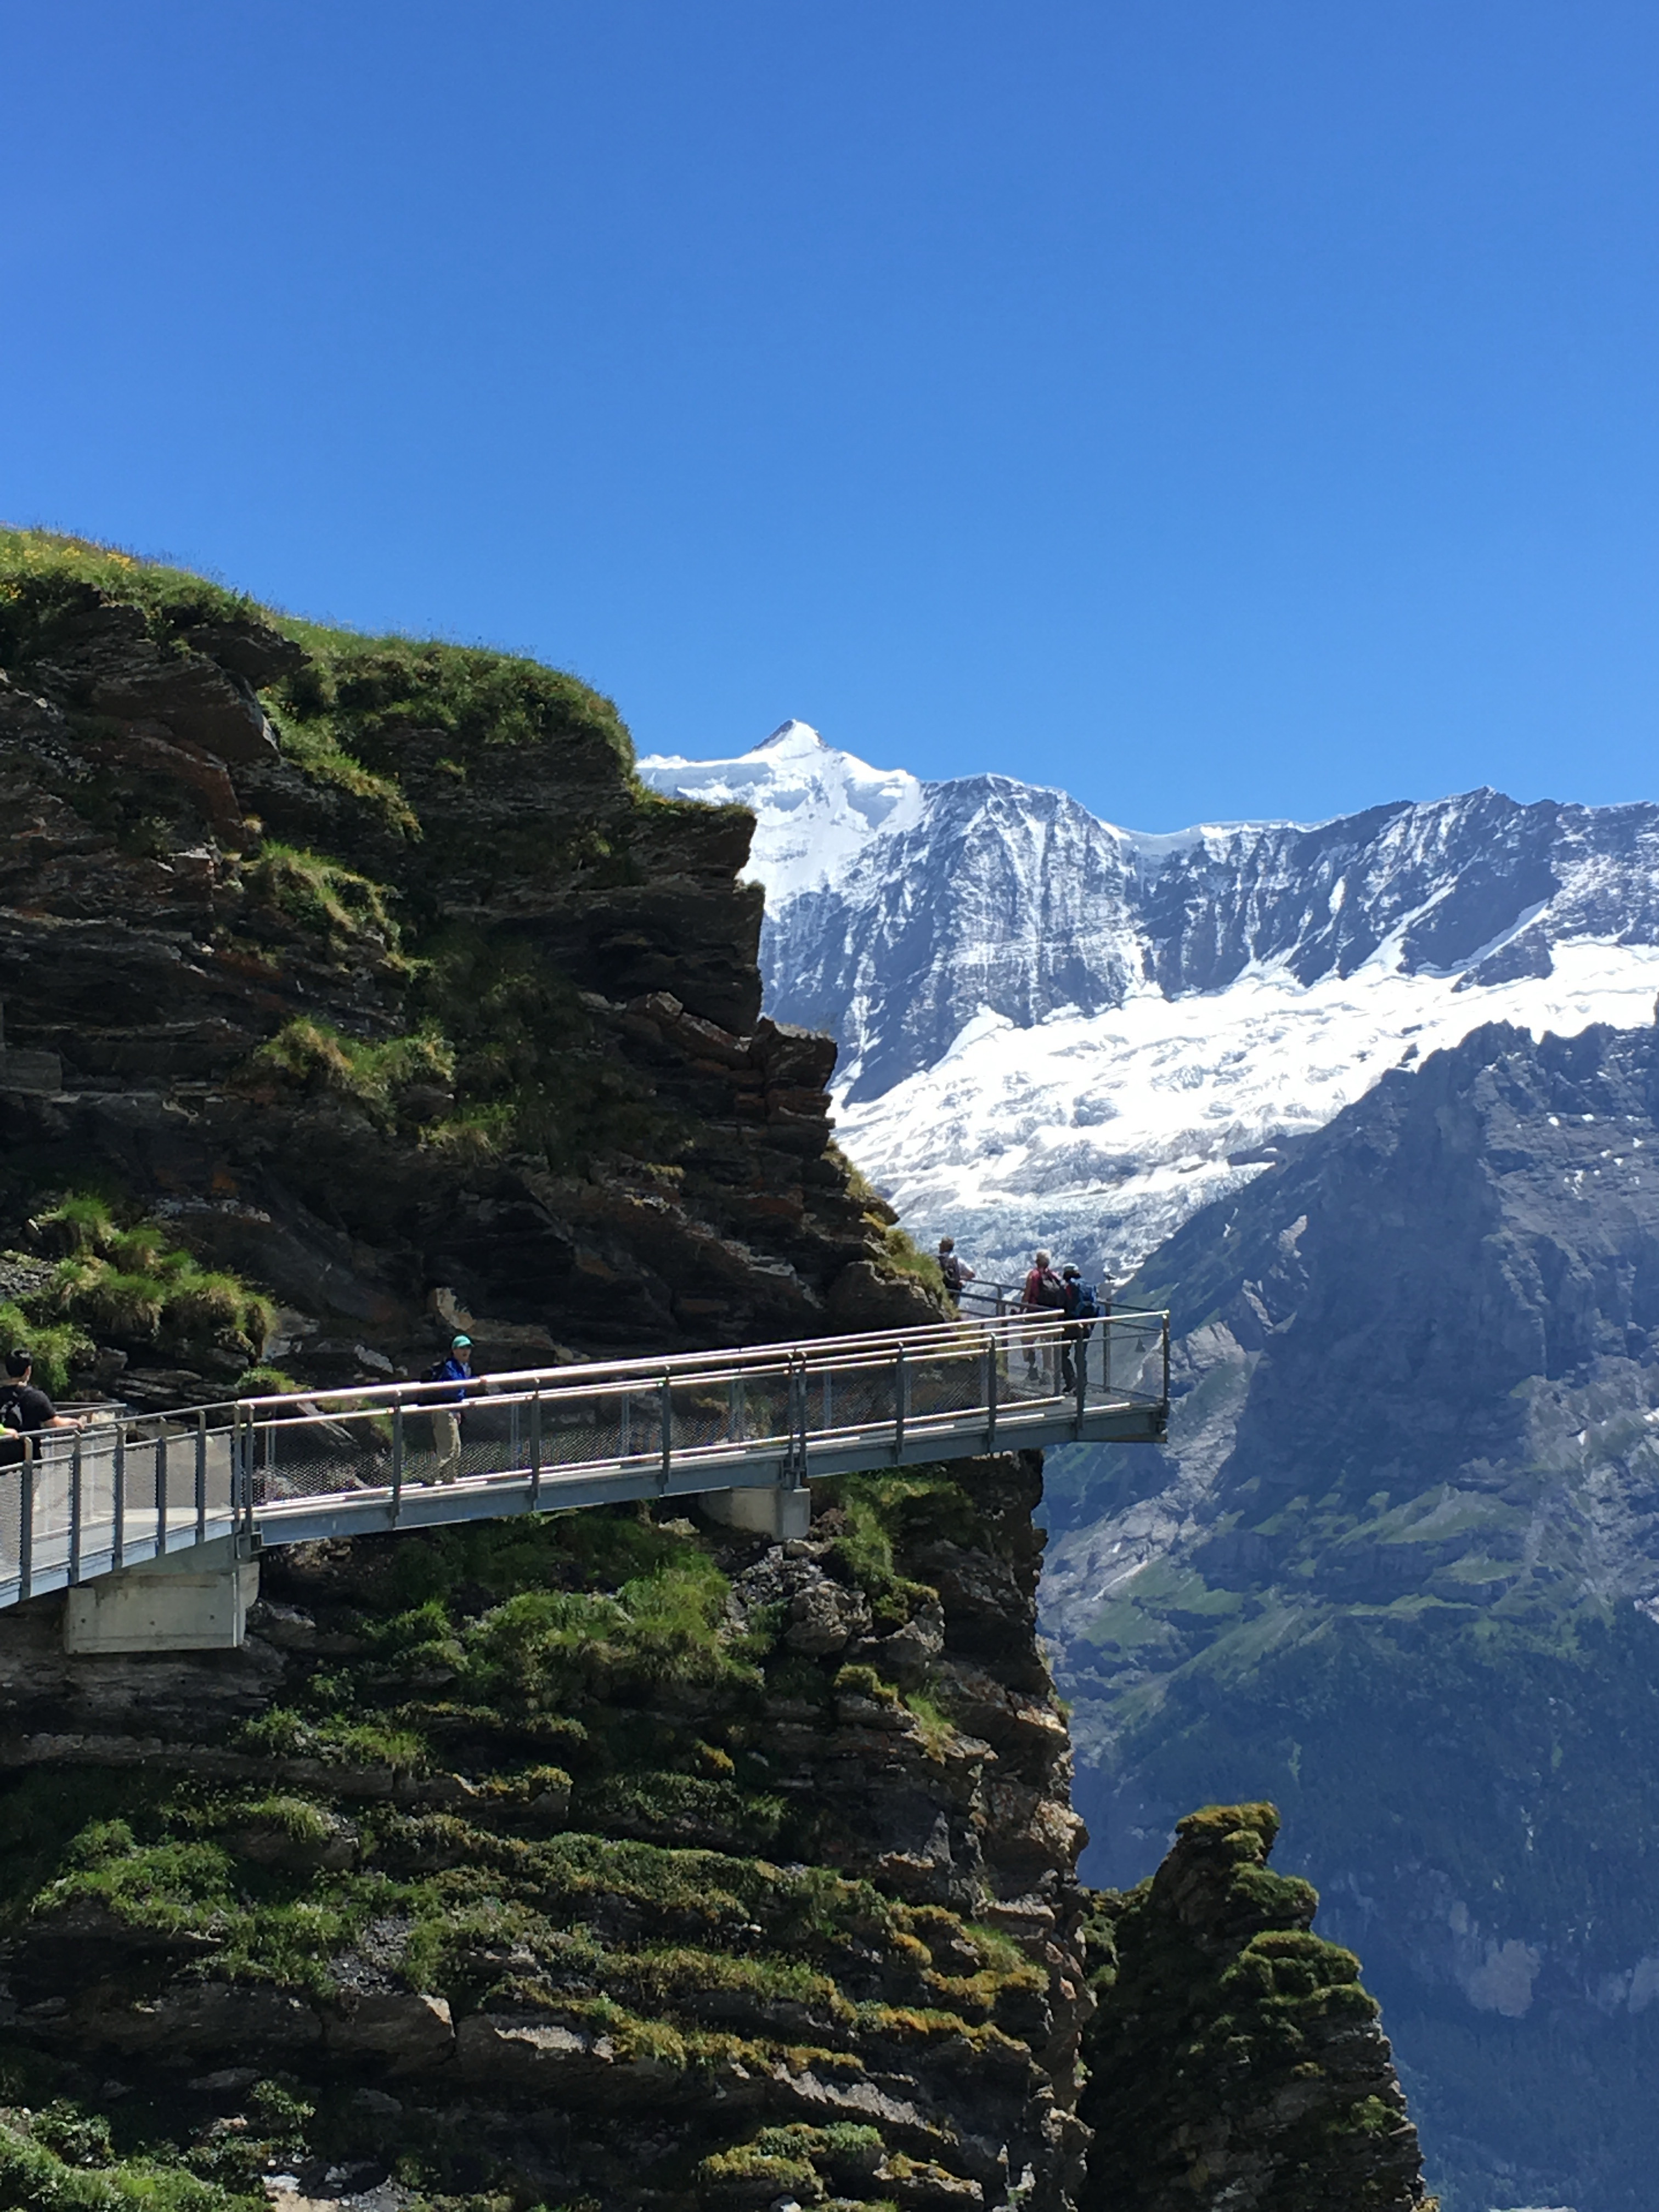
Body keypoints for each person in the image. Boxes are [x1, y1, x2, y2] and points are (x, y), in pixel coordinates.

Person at [424, 1334, 473, 1485]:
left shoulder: (464, 1368)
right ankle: (430, 1477)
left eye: (468, 1348)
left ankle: (449, 1479)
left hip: (452, 1410)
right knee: (448, 1449)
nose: (466, 1351)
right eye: (462, 1348)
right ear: (454, 1350)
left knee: (456, 1448)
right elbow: (454, 1390)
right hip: (444, 1411)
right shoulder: (450, 1367)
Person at [0, 1349, 85, 1435]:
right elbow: (55, 1423)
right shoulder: (35, 1397)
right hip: (28, 1447)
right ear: (28, 1371)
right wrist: (73, 1422)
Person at [1020, 1251, 1066, 1383]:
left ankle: (1032, 1368)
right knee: (1047, 1344)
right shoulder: (1054, 1276)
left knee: (1027, 1340)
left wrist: (1021, 1310)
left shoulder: (1033, 1275)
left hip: (1034, 1314)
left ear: (1037, 1261)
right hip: (1050, 1315)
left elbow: (1027, 1296)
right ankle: (1048, 1372)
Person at [937, 1235, 975, 1309]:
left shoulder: (936, 1260)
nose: (939, 1246)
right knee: (953, 1309)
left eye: (941, 1244)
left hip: (941, 1291)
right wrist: (960, 1278)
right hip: (955, 1292)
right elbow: (972, 1274)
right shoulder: (958, 1261)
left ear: (946, 1247)